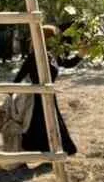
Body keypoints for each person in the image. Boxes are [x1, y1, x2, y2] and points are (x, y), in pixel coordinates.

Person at [12, 24, 80, 155]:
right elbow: (19, 77)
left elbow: (68, 63)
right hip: (37, 98)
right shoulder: (34, 56)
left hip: (49, 95)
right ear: (48, 38)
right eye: (55, 37)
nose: (57, 40)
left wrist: (81, 54)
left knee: (49, 124)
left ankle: (51, 150)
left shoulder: (53, 55)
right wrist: (10, 97)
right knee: (41, 124)